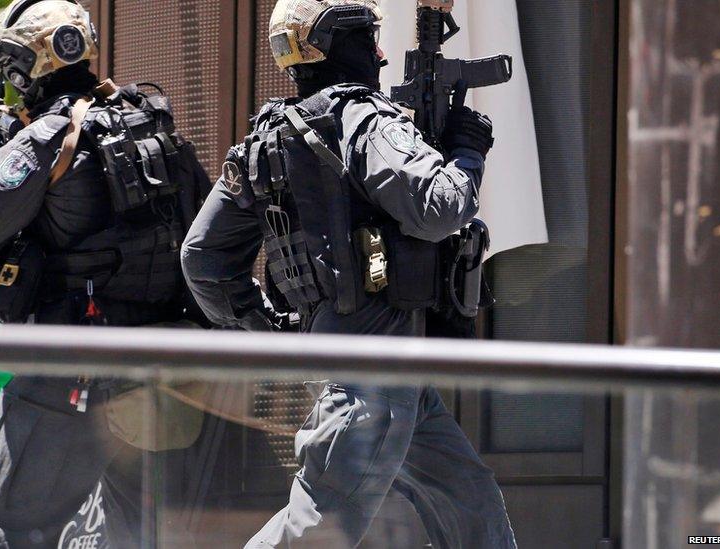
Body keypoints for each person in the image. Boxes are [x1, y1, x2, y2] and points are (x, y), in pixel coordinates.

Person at [180, 0, 518, 547]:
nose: (380, 53)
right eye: (369, 38)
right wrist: (467, 148)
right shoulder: (364, 118)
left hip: (365, 364)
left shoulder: (266, 137)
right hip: (373, 378)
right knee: (318, 526)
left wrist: (274, 333)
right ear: (343, 44)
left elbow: (203, 258)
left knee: (470, 503)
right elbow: (442, 206)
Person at [0, 0, 212, 546]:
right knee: (136, 535)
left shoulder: (47, 136)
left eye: (11, 66)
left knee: (2, 525)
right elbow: (204, 229)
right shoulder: (148, 118)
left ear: (29, 64)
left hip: (71, 375)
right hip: (158, 373)